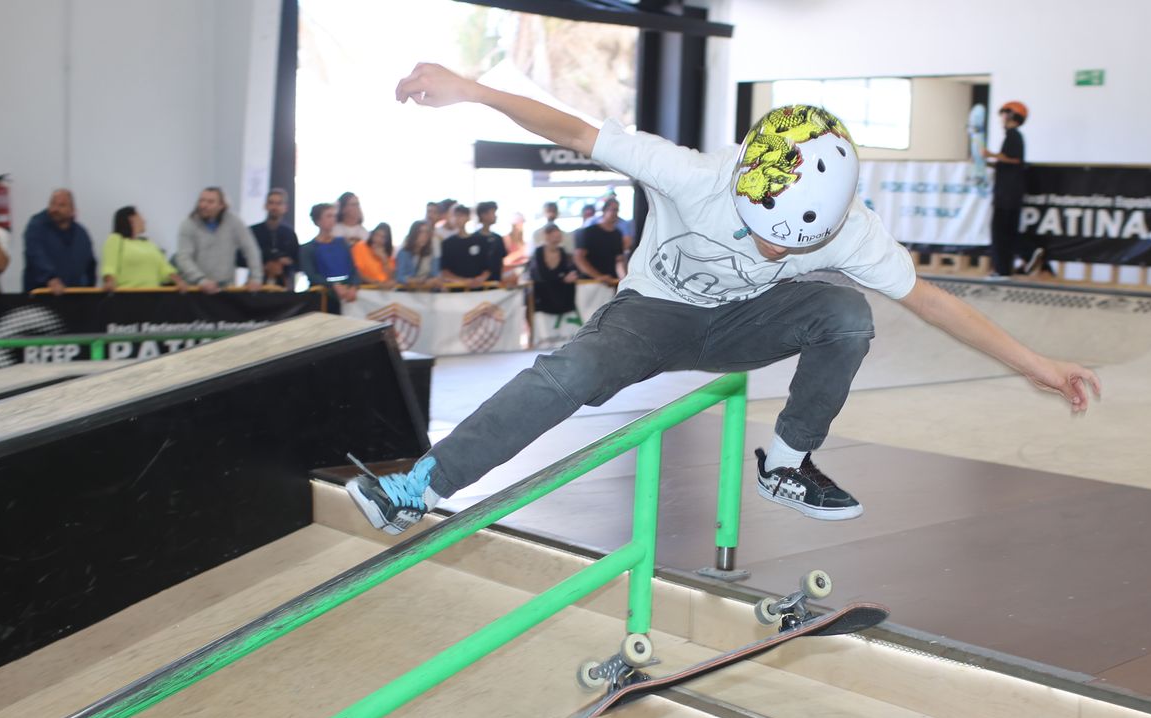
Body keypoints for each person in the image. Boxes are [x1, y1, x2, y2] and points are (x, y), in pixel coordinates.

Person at [346, 64, 1099, 537]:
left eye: (789, 246)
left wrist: (1035, 363)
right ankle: (418, 485)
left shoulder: (849, 229)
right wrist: (473, 92)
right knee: (566, 375)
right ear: (742, 182)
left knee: (845, 313)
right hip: (647, 318)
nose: (771, 250)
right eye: (759, 232)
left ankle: (789, 461)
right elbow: (572, 128)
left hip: (741, 326)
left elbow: (932, 301)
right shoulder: (690, 173)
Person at [175, 187, 262, 292]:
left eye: (210, 202)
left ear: (221, 205)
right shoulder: (188, 224)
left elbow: (250, 249)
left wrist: (256, 277)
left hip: (225, 287)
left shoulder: (234, 222)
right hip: (196, 288)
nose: (204, 205)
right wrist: (200, 279)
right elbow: (183, 257)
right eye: (201, 200)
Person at [983, 101, 1028, 278]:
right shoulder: (1011, 136)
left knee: (1003, 232)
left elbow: (1015, 159)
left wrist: (991, 154)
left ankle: (1004, 269)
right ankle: (1004, 269)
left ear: (1012, 115)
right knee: (1004, 231)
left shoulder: (1014, 136)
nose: (1002, 118)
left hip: (1008, 195)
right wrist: (986, 162)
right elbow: (1006, 163)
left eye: (1004, 114)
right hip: (1006, 193)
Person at [23, 188, 96, 294]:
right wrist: (50, 278)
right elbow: (36, 255)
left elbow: (90, 263)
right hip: (42, 295)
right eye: (53, 204)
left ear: (72, 210)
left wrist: (89, 289)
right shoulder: (36, 227)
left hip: (75, 297)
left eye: (61, 205)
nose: (55, 209)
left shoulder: (81, 233)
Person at [101, 206, 186, 291]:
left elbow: (164, 268)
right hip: (126, 296)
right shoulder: (115, 239)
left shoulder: (149, 244)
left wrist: (179, 281)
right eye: (140, 216)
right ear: (131, 218)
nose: (144, 221)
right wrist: (109, 281)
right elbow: (110, 266)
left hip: (153, 297)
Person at [298, 202, 359, 313]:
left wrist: (353, 287)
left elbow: (353, 269)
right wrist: (332, 285)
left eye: (334, 216)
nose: (333, 219)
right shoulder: (308, 248)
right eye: (328, 216)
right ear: (318, 220)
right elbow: (312, 275)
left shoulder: (342, 244)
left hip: (347, 297)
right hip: (322, 300)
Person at [527, 223, 580, 334]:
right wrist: (562, 279)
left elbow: (569, 271)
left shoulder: (563, 252)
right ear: (547, 236)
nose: (557, 238)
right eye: (554, 235)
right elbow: (541, 275)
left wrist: (568, 277)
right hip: (542, 297)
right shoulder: (538, 252)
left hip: (561, 297)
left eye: (558, 236)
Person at [250, 187, 299, 288]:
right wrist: (264, 265)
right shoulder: (254, 231)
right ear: (266, 205)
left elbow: (297, 262)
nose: (274, 207)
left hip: (283, 284)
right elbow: (241, 257)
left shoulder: (290, 234)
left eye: (278, 203)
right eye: (271, 203)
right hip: (257, 283)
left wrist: (284, 263)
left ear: (285, 207)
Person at [573, 197, 626, 287]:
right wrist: (599, 276)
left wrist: (624, 279)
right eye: (611, 210)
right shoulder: (589, 232)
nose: (614, 213)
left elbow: (619, 260)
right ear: (604, 211)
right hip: (589, 282)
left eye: (616, 210)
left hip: (610, 282)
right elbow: (579, 258)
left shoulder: (617, 234)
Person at [439, 204, 490, 286]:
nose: (457, 219)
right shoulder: (447, 243)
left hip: (479, 289)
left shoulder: (480, 240)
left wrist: (478, 280)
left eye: (461, 216)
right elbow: (444, 271)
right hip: (456, 290)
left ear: (468, 217)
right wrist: (462, 281)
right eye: (455, 216)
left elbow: (488, 268)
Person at [395, 219, 441, 289]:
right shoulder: (404, 253)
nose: (424, 236)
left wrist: (434, 280)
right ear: (414, 234)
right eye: (421, 232)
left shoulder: (431, 253)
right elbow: (400, 277)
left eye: (426, 232)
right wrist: (418, 281)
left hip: (427, 292)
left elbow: (436, 274)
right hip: (408, 293)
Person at [352, 221, 397, 286]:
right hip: (365, 288)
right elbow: (357, 273)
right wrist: (376, 283)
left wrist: (384, 259)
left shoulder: (388, 254)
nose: (378, 239)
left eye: (383, 237)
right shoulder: (360, 247)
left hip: (384, 290)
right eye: (376, 235)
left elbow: (392, 278)